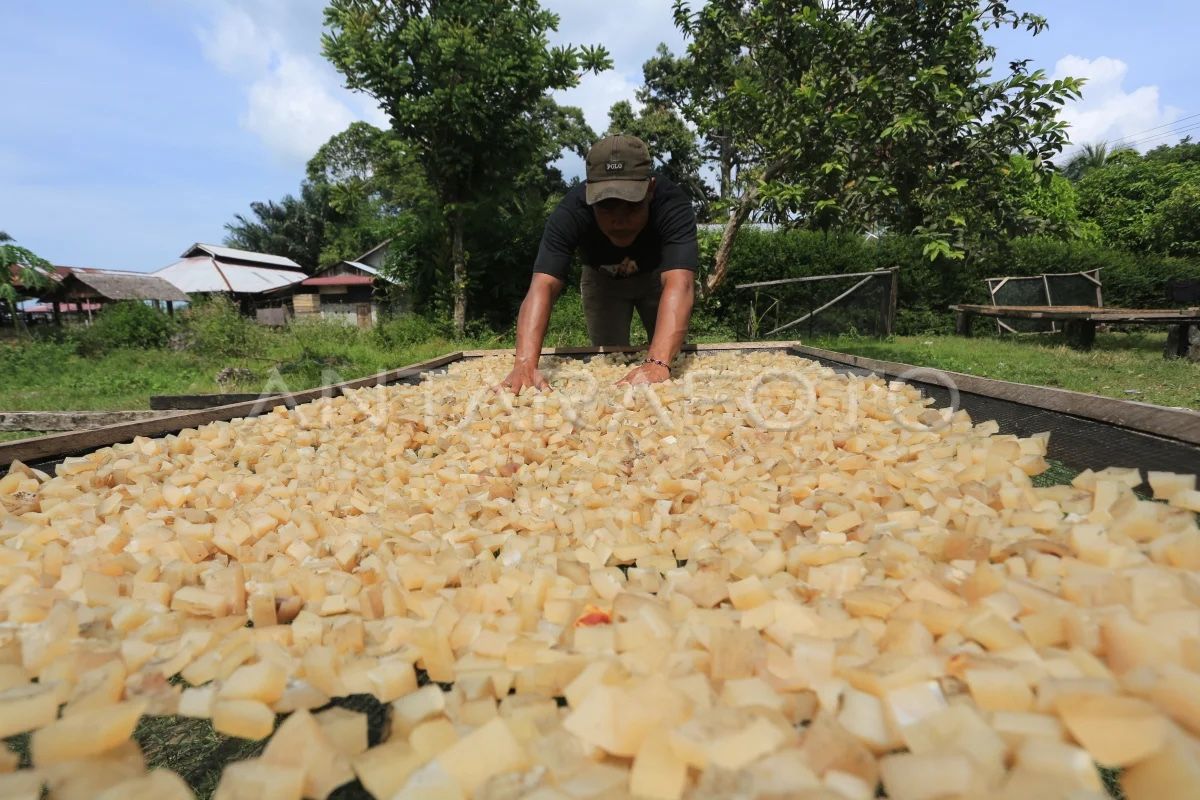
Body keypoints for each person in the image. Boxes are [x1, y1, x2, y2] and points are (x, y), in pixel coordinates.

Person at [498, 134, 698, 393]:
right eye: (606, 207)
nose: (619, 220)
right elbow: (542, 286)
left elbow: (680, 283)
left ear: (649, 189)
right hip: (602, 282)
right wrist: (524, 364)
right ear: (589, 193)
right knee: (609, 357)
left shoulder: (673, 203)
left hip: (659, 281)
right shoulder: (571, 211)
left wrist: (657, 362)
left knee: (668, 358)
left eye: (631, 206)